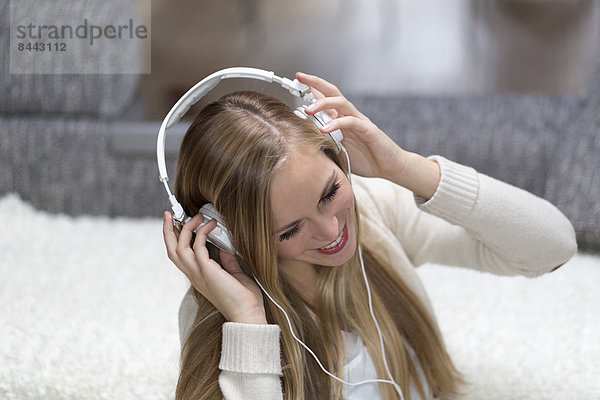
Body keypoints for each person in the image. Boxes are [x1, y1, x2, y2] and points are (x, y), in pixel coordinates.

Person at [161, 72, 577, 400]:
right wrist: (248, 322)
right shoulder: (219, 313)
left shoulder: (375, 211)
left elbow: (553, 247)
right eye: (289, 229)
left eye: (330, 193)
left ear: (337, 151)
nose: (332, 231)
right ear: (230, 236)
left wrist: (405, 168)